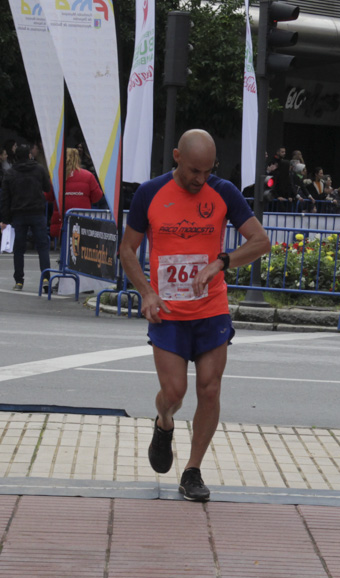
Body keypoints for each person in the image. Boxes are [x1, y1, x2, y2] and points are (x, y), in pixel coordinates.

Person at [120, 129, 269, 502]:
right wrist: (147, 292)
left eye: (207, 171)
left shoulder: (224, 192)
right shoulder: (149, 193)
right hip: (168, 311)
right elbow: (127, 249)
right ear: (176, 157)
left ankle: (192, 471)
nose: (199, 180)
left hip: (210, 308)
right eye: (192, 171)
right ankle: (164, 421)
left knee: (210, 387)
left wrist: (221, 262)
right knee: (174, 392)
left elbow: (260, 241)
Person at [0, 143, 54, 291]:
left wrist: (4, 219)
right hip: (37, 212)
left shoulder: (10, 173)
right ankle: (46, 279)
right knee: (42, 247)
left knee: (19, 248)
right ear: (30, 155)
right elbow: (47, 188)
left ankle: (19, 281)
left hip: (19, 213)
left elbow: (5, 198)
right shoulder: (39, 169)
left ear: (16, 157)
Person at [50, 147, 105, 239]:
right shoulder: (88, 176)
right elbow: (97, 197)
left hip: (62, 220)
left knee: (64, 247)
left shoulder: (57, 176)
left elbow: (49, 196)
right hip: (83, 219)